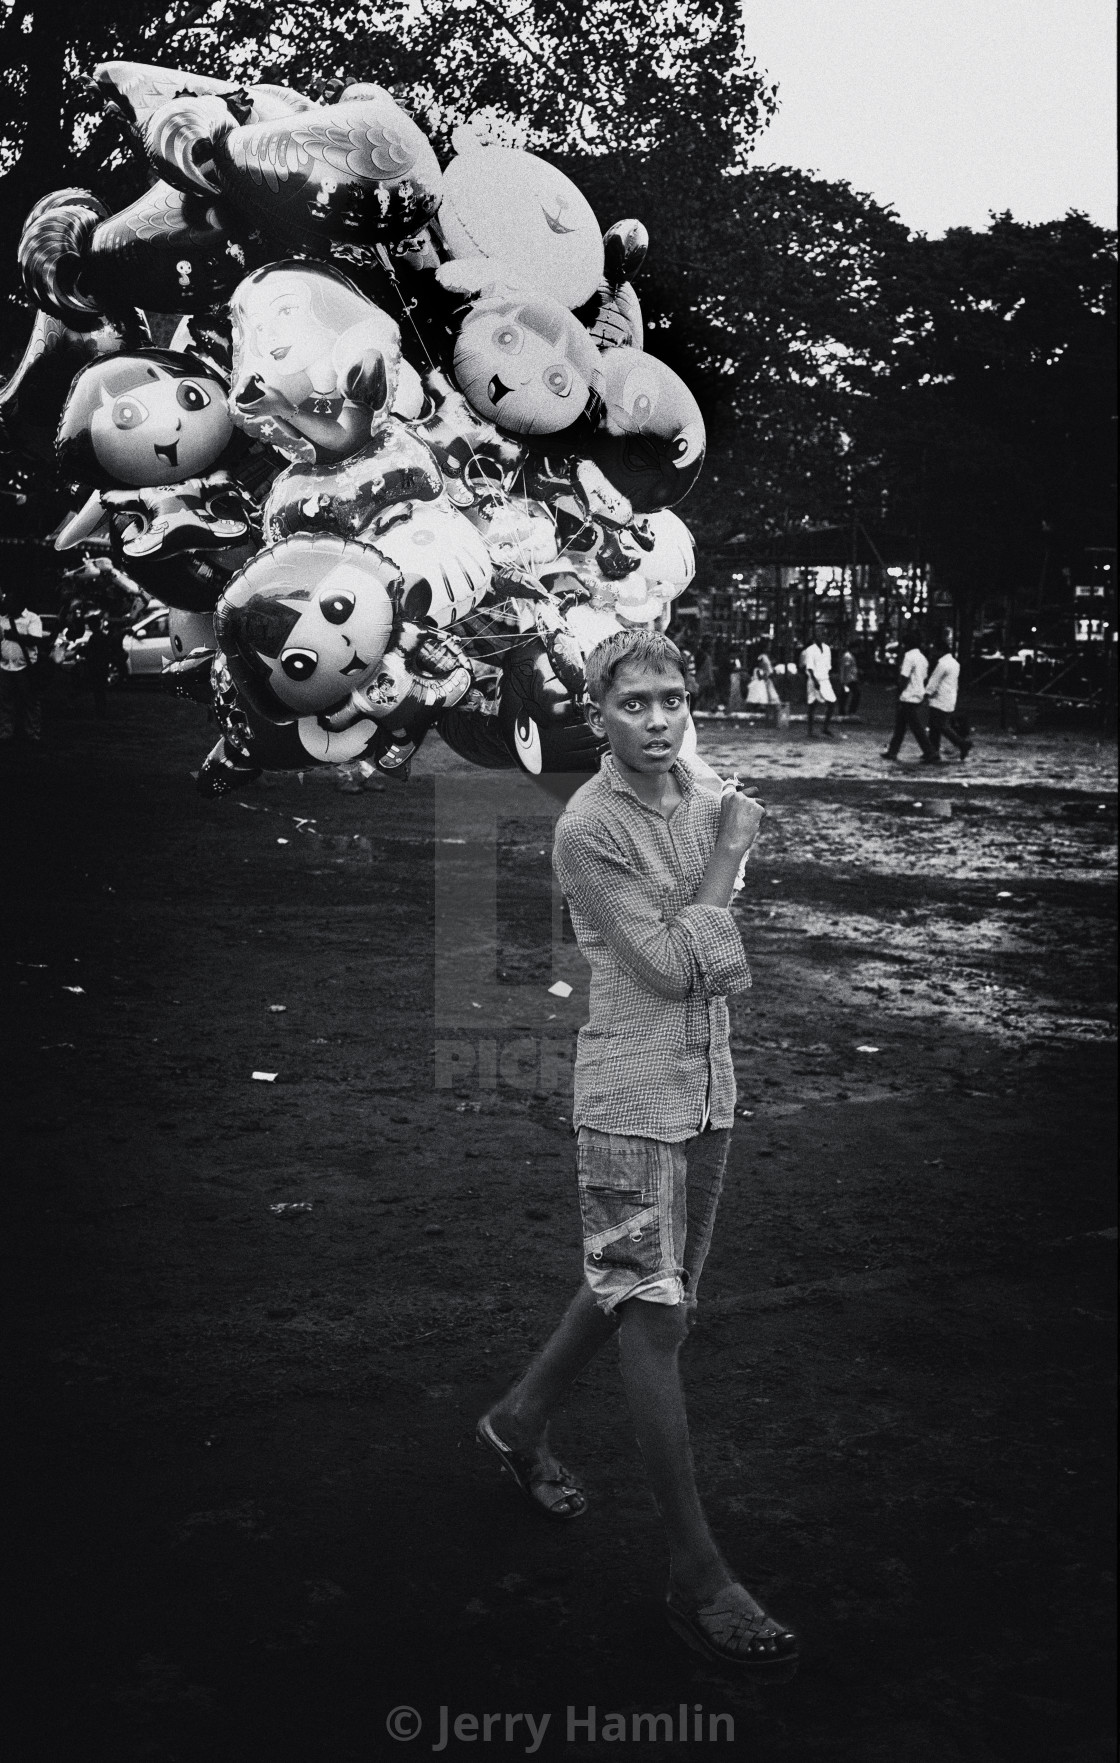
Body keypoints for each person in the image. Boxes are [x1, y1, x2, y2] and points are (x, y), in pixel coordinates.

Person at [476, 627, 798, 1674]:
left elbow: (715, 960)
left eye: (670, 699)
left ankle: (517, 1420)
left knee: (639, 1280)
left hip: (708, 1085)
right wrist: (730, 855)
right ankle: (696, 1570)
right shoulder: (587, 826)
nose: (656, 720)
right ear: (596, 715)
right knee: (653, 1314)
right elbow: (668, 966)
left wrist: (718, 845)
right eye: (633, 704)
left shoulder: (704, 801)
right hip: (626, 1090)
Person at [882, 625, 938, 763]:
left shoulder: (908, 657)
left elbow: (904, 677)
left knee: (914, 727)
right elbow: (924, 677)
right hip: (918, 693)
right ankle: (892, 751)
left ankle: (930, 751)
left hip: (908, 695)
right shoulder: (922, 658)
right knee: (901, 725)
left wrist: (899, 690)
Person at [0, 591, 44, 743]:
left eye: (10, 601)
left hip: (25, 667)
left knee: (30, 701)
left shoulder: (32, 618)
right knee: (6, 701)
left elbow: (35, 640)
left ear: (19, 604)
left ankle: (32, 733)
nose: (6, 604)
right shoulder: (2, 619)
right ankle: (6, 732)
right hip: (5, 666)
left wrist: (14, 636)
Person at [925, 627, 972, 761]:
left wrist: (926, 694)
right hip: (948, 698)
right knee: (936, 726)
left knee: (940, 726)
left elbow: (934, 681)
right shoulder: (954, 663)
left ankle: (961, 744)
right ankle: (932, 750)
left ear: (940, 650)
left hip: (939, 699)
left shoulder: (942, 664)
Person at [799, 635, 835, 737]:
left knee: (831, 703)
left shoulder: (826, 649)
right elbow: (808, 667)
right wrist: (814, 681)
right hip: (814, 679)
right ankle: (811, 731)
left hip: (823, 679)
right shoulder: (809, 651)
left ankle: (824, 728)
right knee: (813, 704)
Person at [837, 646, 860, 716]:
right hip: (849, 680)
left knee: (845, 695)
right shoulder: (848, 657)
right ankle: (850, 711)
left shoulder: (850, 656)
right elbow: (845, 668)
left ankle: (843, 711)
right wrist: (843, 680)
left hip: (849, 679)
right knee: (855, 694)